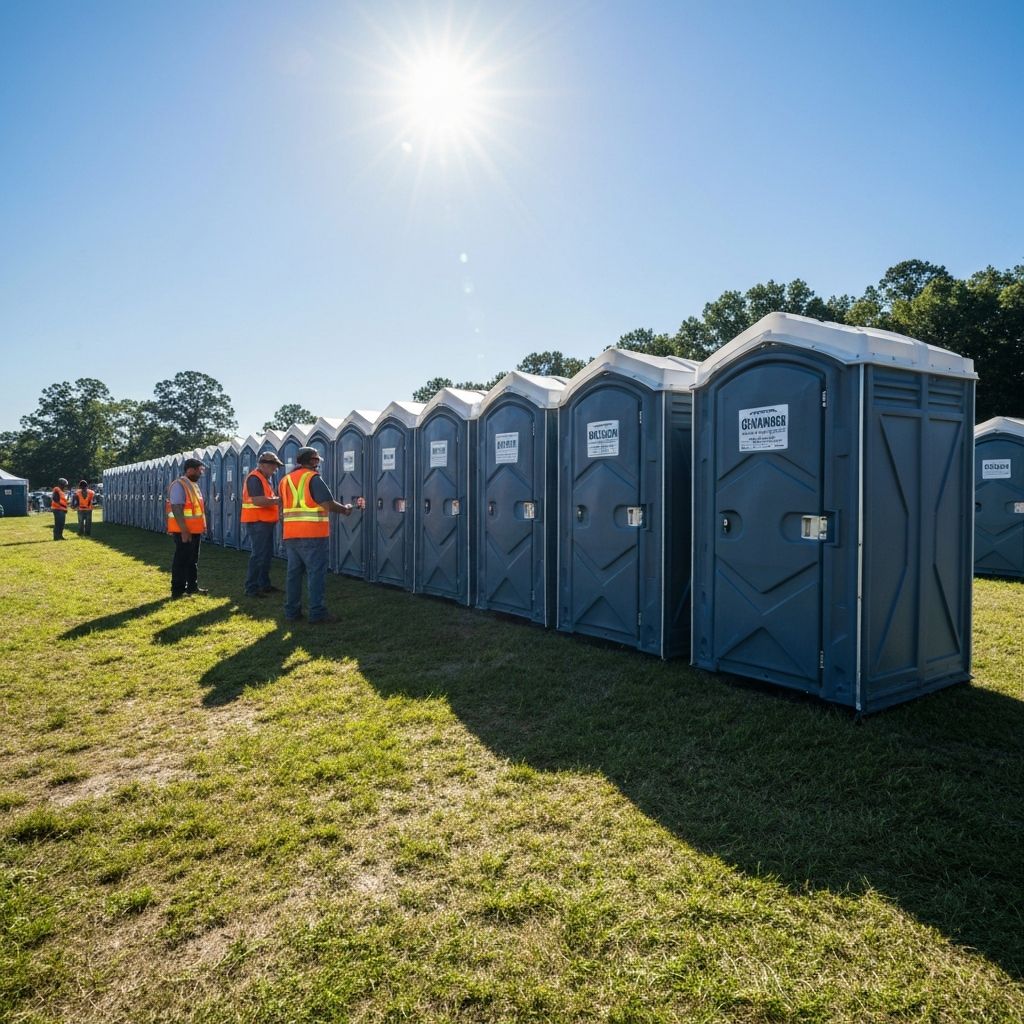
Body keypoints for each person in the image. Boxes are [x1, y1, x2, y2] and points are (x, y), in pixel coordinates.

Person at [280, 446, 364, 624]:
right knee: (315, 573)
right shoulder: (313, 478)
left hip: (291, 534)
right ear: (312, 461)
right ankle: (317, 613)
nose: (318, 464)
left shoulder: (285, 480)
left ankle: (291, 612)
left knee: (293, 575)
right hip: (312, 534)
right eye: (316, 460)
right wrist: (346, 509)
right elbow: (327, 503)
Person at [241, 452, 284, 598]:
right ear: (263, 465)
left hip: (264, 522)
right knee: (259, 555)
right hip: (257, 522)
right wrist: (278, 500)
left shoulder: (264, 479)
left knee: (265, 555)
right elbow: (258, 501)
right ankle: (251, 588)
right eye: (274, 467)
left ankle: (264, 585)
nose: (275, 470)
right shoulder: (254, 478)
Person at [166, 458, 208, 598]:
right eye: (199, 470)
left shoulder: (193, 485)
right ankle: (177, 590)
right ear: (190, 469)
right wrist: (184, 530)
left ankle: (192, 587)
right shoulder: (180, 485)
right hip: (184, 531)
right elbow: (176, 507)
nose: (200, 473)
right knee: (182, 560)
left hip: (194, 531)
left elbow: (197, 510)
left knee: (192, 560)